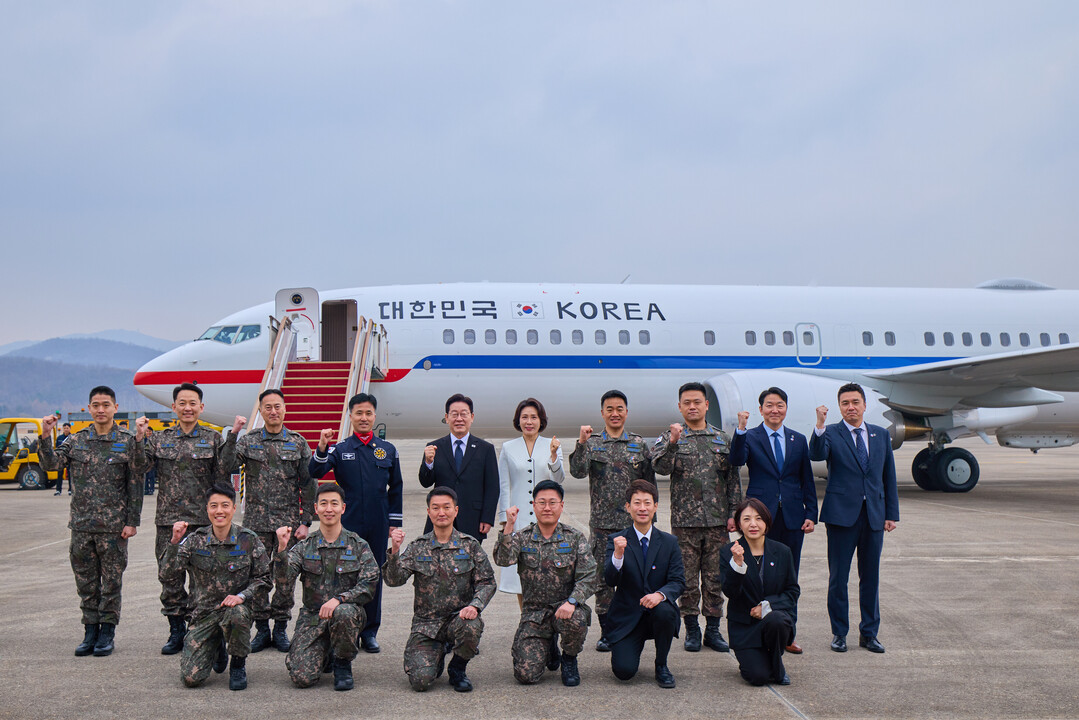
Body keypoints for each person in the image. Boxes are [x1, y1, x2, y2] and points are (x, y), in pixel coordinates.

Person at [135, 382, 245, 656]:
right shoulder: (159, 439)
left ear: (201, 407)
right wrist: (138, 438)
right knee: (170, 577)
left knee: (203, 581)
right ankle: (176, 630)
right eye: (182, 403)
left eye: (192, 403)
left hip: (202, 523)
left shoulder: (212, 438)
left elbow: (225, 469)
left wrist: (233, 435)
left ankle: (202, 630)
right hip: (169, 522)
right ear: (173, 407)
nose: (187, 408)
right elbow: (140, 466)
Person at [37, 387, 145, 657]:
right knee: (85, 582)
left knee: (111, 583)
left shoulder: (127, 441)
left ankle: (107, 632)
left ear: (115, 408)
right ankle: (90, 631)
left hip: (113, 529)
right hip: (82, 526)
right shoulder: (76, 440)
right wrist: (46, 435)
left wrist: (132, 521)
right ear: (88, 409)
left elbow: (135, 483)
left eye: (106, 405)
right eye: (96, 405)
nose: (100, 410)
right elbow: (51, 465)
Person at [310, 392, 404, 653]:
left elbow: (396, 487)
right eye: (359, 413)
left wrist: (394, 522)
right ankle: (346, 629)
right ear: (350, 416)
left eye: (368, 413)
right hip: (348, 522)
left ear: (374, 416)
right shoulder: (340, 450)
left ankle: (370, 631)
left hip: (378, 521)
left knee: (373, 575)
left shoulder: (388, 450)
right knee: (345, 575)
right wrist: (321, 446)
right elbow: (315, 471)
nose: (364, 417)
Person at [809, 382, 899, 654]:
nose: (851, 407)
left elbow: (888, 476)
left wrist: (891, 514)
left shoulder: (880, 435)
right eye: (845, 403)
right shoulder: (831, 433)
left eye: (855, 402)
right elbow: (816, 454)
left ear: (864, 405)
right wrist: (820, 425)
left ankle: (869, 634)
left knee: (870, 578)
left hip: (874, 516)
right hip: (841, 516)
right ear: (839, 407)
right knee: (838, 578)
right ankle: (839, 633)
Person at [651, 381, 741, 654]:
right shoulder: (670, 437)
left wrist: (734, 513)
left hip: (717, 523)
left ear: (706, 405)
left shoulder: (722, 439)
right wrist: (673, 443)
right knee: (687, 580)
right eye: (687, 403)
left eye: (697, 402)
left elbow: (732, 480)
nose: (692, 407)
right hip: (685, 523)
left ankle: (713, 630)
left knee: (715, 579)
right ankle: (692, 628)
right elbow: (660, 468)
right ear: (680, 407)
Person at [730, 386, 818, 654]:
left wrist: (810, 514)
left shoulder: (797, 439)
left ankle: (788, 634)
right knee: (757, 575)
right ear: (761, 410)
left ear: (786, 408)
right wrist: (740, 430)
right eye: (769, 405)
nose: (774, 410)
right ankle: (756, 631)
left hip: (792, 518)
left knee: (789, 576)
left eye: (779, 405)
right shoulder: (751, 437)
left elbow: (807, 479)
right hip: (760, 518)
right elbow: (736, 459)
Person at [384, 487, 496, 693]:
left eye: (446, 507)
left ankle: (457, 668)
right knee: (421, 682)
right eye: (435, 508)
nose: (441, 512)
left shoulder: (470, 545)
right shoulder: (418, 547)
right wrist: (395, 551)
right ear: (429, 512)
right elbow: (394, 580)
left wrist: (475, 606)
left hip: (458, 620)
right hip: (426, 625)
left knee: (471, 626)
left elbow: (487, 582)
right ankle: (436, 654)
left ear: (456, 510)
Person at [568, 389, 655, 651]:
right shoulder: (592, 443)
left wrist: (650, 521)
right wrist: (581, 443)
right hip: (602, 526)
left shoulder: (638, 444)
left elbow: (649, 485)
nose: (614, 414)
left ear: (626, 412)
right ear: (602, 413)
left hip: (634, 526)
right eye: (609, 409)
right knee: (604, 581)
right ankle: (607, 632)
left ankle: (632, 628)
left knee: (635, 578)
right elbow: (577, 472)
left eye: (619, 409)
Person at [233, 388, 316, 654]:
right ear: (260, 411)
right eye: (267, 407)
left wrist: (306, 521)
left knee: (285, 578)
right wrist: (233, 435)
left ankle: (280, 627)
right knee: (257, 576)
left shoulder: (297, 442)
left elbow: (308, 483)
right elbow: (227, 466)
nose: (273, 411)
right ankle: (261, 629)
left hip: (287, 524)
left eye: (277, 406)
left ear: (284, 409)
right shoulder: (249, 441)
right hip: (255, 523)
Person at [165, 483, 270, 691]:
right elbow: (168, 574)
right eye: (214, 506)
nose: (219, 511)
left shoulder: (248, 540)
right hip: (203, 615)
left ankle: (238, 665)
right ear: (207, 509)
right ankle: (217, 645)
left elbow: (264, 579)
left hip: (235, 611)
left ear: (233, 508)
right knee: (191, 678)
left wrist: (242, 595)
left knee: (238, 613)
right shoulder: (195, 540)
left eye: (225, 505)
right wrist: (174, 542)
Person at [275, 483, 380, 691]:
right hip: (313, 617)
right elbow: (284, 579)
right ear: (316, 508)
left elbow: (369, 583)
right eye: (323, 504)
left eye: (334, 503)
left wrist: (340, 599)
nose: (329, 509)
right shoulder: (305, 545)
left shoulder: (358, 545)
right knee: (301, 677)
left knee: (344, 613)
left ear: (343, 508)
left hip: (346, 615)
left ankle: (342, 664)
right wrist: (281, 550)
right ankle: (325, 652)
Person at [494, 480, 595, 687]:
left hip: (565, 609)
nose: (547, 508)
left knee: (576, 619)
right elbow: (503, 560)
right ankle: (549, 647)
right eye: (542, 502)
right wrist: (509, 526)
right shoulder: (522, 537)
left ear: (561, 505)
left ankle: (569, 659)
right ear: (534, 505)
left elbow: (589, 576)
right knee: (526, 675)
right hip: (535, 614)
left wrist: (573, 601)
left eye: (552, 502)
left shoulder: (574, 538)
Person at [604, 480, 685, 689]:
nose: (642, 508)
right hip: (627, 615)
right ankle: (630, 645)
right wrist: (618, 555)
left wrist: (660, 595)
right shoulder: (616, 540)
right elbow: (610, 580)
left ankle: (661, 665)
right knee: (624, 672)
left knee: (665, 611)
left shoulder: (669, 542)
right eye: (637, 503)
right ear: (628, 507)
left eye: (647, 503)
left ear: (655, 506)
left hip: (658, 612)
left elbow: (678, 581)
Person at [720, 498, 800, 686]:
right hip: (745, 626)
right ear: (739, 524)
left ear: (767, 522)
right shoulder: (728, 551)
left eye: (758, 518)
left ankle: (777, 663)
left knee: (777, 619)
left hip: (774, 622)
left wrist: (767, 607)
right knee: (758, 677)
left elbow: (792, 591)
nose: (753, 524)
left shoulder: (782, 551)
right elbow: (730, 592)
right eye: (746, 519)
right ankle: (757, 660)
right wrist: (738, 565)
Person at [496, 398, 564, 604]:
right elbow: (504, 484)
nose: (529, 422)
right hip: (518, 519)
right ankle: (525, 617)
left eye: (534, 417)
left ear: (541, 420)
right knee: (521, 573)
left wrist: (554, 456)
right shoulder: (508, 447)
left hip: (546, 516)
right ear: (518, 420)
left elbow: (559, 479)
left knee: (549, 569)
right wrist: (504, 519)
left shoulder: (552, 445)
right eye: (524, 417)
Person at [418, 394, 499, 541]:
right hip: (440, 519)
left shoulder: (485, 449)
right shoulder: (435, 447)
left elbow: (492, 487)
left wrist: (487, 518)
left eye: (464, 414)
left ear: (472, 417)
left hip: (473, 519)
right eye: (454, 414)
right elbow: (425, 482)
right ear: (447, 417)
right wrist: (428, 463)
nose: (459, 419)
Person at [53, 421, 72, 496]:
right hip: (61, 459)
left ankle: (70, 490)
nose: (66, 429)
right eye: (64, 428)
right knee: (59, 474)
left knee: (70, 474)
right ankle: (58, 490)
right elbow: (57, 448)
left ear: (70, 428)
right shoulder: (59, 438)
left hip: (69, 458)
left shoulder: (72, 438)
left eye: (67, 428)